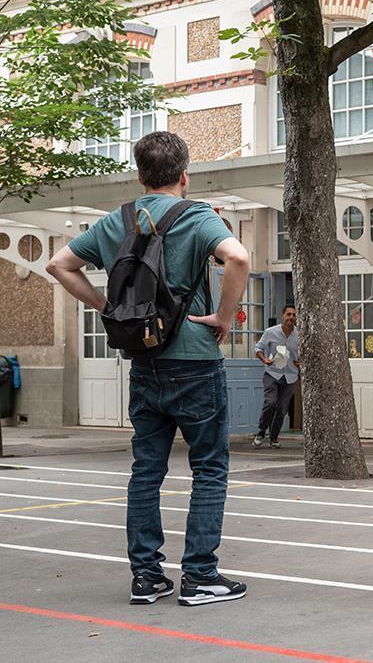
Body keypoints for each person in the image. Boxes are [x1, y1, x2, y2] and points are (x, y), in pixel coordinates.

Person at [46, 131, 251, 606]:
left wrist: (107, 306)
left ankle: (146, 577)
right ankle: (200, 577)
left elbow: (60, 264)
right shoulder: (197, 216)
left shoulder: (119, 221)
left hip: (144, 363)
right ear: (184, 175)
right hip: (196, 360)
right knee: (210, 468)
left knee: (146, 471)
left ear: (139, 175)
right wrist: (223, 316)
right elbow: (237, 257)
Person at [252, 305, 299, 449]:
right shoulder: (270, 332)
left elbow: (305, 353)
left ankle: (274, 438)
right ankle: (261, 432)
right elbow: (258, 348)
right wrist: (265, 359)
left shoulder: (300, 335)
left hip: (290, 376)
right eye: (288, 314)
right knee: (270, 403)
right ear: (282, 316)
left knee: (282, 409)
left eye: (293, 315)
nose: (291, 317)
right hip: (272, 373)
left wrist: (301, 362)